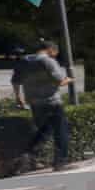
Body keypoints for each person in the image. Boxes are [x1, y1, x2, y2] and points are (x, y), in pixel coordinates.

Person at [8, 39, 72, 173]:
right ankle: (60, 162)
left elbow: (15, 81)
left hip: (34, 102)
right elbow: (60, 81)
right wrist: (69, 80)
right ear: (51, 49)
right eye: (55, 53)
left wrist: (18, 97)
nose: (55, 55)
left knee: (44, 130)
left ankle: (27, 154)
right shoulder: (48, 61)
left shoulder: (24, 61)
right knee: (61, 130)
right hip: (52, 101)